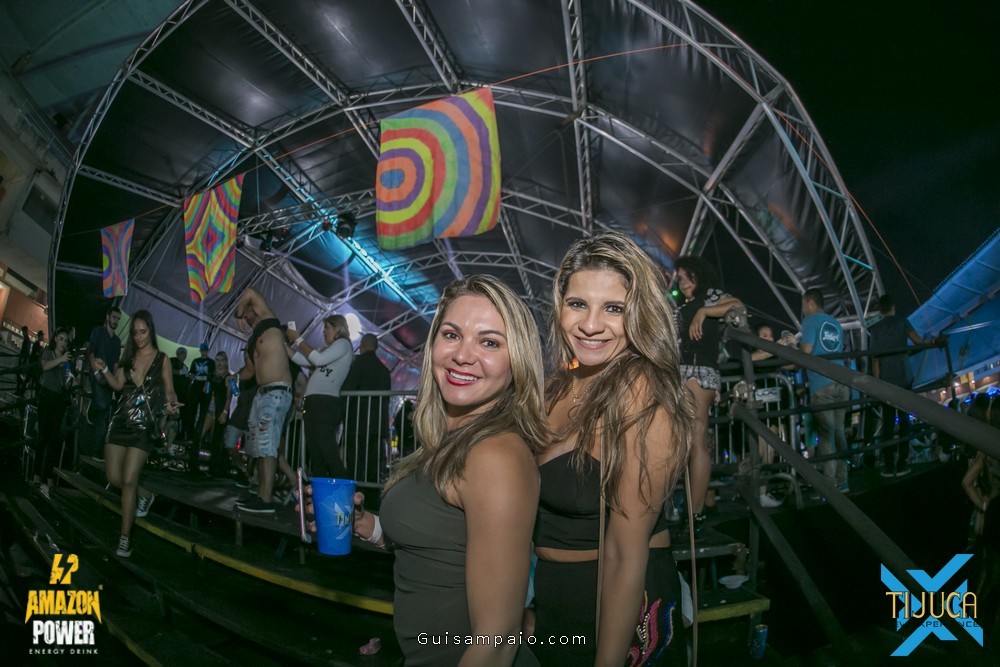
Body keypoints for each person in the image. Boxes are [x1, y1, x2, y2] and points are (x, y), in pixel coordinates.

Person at [347, 275, 549, 665]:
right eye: (452, 335)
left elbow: (498, 641)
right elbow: (441, 548)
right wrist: (367, 525)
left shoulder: (495, 456)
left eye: (489, 342)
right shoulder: (448, 439)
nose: (462, 355)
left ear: (517, 361)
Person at [533, 232, 693, 666]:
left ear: (639, 313)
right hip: (555, 603)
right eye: (578, 303)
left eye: (614, 309)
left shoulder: (641, 390)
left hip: (618, 608)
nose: (590, 324)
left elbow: (625, 552)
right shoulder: (556, 387)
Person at [94, 310, 181, 557]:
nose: (139, 336)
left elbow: (169, 391)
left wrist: (172, 405)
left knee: (129, 479)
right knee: (114, 476)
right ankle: (145, 494)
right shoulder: (128, 356)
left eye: (143, 332)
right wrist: (104, 370)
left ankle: (125, 539)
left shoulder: (162, 359)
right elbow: (117, 385)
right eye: (135, 332)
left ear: (151, 330)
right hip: (120, 422)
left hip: (143, 427)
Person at [674, 255, 744, 530]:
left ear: (698, 274)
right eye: (680, 278)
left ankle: (695, 513)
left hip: (699, 372)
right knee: (686, 442)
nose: (682, 282)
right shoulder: (683, 305)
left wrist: (704, 311)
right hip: (681, 375)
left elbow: (738, 306)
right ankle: (698, 505)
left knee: (696, 439)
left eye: (686, 276)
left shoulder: (710, 296)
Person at [234, 288, 293, 513]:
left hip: (277, 392)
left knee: (267, 445)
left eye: (247, 312)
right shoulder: (252, 340)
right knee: (259, 446)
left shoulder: (269, 321)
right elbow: (250, 371)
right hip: (261, 394)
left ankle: (265, 499)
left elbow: (249, 292)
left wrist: (237, 314)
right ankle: (261, 494)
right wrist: (234, 378)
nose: (246, 317)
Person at [869, 294, 935, 477]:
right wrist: (931, 342)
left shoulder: (875, 330)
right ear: (893, 307)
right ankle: (903, 462)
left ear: (880, 310)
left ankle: (889, 465)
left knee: (888, 424)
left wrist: (877, 382)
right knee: (904, 420)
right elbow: (918, 341)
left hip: (886, 381)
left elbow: (875, 359)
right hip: (904, 376)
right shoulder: (902, 322)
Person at [287, 315, 353, 478]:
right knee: (316, 453)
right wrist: (283, 346)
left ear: (338, 328)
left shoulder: (343, 344)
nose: (324, 332)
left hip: (325, 403)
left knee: (328, 452)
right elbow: (303, 360)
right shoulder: (327, 349)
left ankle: (344, 491)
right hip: (315, 402)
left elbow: (317, 359)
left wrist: (298, 339)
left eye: (327, 328)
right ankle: (319, 492)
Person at [798, 288, 848, 491]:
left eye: (803, 304)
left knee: (826, 435)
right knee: (839, 432)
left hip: (821, 384)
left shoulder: (810, 321)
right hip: (840, 381)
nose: (803, 309)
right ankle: (843, 480)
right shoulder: (835, 323)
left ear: (811, 304)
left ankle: (830, 486)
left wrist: (793, 348)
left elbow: (806, 351)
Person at [341, 333, 393, 483]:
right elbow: (386, 399)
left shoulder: (357, 364)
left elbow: (348, 389)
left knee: (354, 460)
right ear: (376, 347)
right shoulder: (384, 370)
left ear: (361, 346)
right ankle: (371, 492)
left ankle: (354, 489)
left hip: (357, 422)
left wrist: (341, 414)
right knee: (373, 462)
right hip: (376, 424)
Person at [33, 328, 73, 498]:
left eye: (66, 340)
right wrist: (61, 360)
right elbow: (45, 366)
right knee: (42, 437)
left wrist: (69, 380)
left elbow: (66, 382)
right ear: (56, 339)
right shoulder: (49, 353)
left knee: (53, 439)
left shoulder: (67, 360)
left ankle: (48, 477)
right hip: (46, 396)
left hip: (58, 400)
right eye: (61, 339)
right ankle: (37, 476)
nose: (63, 342)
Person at [83, 306, 122, 459]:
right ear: (108, 317)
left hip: (108, 377)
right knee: (102, 406)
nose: (116, 321)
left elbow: (116, 364)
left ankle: (96, 451)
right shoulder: (98, 331)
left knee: (104, 417)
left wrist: (115, 380)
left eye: (118, 318)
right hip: (98, 374)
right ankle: (91, 409)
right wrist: (95, 372)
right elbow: (91, 352)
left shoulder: (117, 341)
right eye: (114, 317)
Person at [223, 348, 257, 487]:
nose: (245, 356)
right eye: (244, 353)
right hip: (239, 413)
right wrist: (225, 411)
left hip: (253, 416)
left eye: (247, 353)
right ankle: (241, 468)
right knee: (229, 443)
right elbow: (231, 386)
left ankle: (247, 475)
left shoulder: (260, 369)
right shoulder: (242, 371)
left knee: (251, 452)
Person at [183, 342, 216, 447]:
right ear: (201, 351)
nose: (204, 352)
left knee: (203, 412)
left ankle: (199, 435)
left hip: (206, 386)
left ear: (207, 350)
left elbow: (211, 375)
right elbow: (192, 373)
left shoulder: (211, 362)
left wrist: (207, 385)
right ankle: (190, 434)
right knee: (192, 410)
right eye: (202, 350)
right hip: (196, 386)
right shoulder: (195, 361)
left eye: (205, 350)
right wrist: (190, 378)